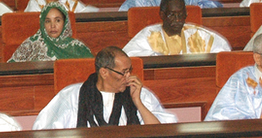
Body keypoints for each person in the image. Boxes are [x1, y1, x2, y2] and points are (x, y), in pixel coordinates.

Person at [33, 46, 176, 129]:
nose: (129, 76)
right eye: (123, 72)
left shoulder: (139, 93)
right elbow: (47, 133)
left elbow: (159, 134)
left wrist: (137, 102)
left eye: (130, 71)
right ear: (104, 72)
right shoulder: (72, 95)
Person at [123, 0, 231, 56]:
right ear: (162, 15)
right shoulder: (149, 34)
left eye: (181, 15)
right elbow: (129, 54)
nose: (178, 19)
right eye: (172, 15)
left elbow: (223, 52)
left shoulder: (199, 35)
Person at [10, 2, 92, 62]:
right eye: (48, 21)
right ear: (43, 24)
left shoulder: (77, 47)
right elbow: (12, 68)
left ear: (65, 22)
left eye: (58, 20)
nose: (53, 25)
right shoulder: (31, 44)